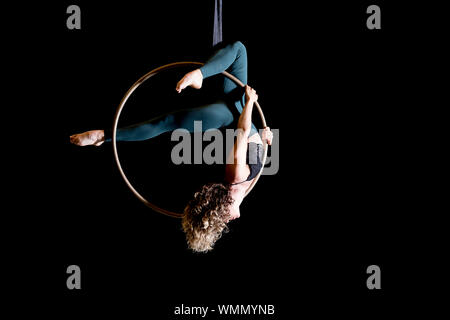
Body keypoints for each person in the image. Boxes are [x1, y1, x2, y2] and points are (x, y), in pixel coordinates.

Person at [70, 41, 273, 252]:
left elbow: (241, 133)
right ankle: (103, 136)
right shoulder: (243, 184)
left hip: (230, 116)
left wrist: (250, 103)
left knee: (238, 51)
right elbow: (251, 143)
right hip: (233, 113)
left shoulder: (236, 177)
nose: (228, 222)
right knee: (167, 122)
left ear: (222, 207)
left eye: (222, 221)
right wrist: (262, 136)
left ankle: (200, 75)